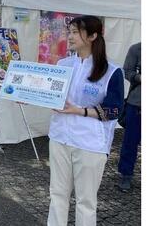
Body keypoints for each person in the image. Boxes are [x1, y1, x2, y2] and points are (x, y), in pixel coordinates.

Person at [47, 16, 124, 226]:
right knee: (57, 195)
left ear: (92, 35)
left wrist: (79, 111)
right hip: (59, 138)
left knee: (86, 202)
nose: (69, 36)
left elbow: (115, 109)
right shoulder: (63, 64)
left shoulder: (111, 71)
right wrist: (28, 96)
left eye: (75, 32)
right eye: (69, 31)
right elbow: (50, 93)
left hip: (90, 144)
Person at [117, 42, 141, 191]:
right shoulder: (137, 48)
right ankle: (126, 175)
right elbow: (126, 71)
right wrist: (139, 77)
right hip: (138, 103)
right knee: (130, 141)